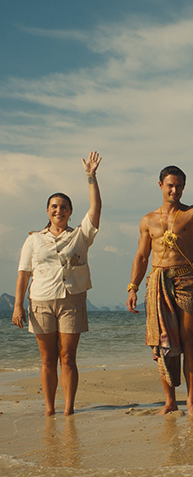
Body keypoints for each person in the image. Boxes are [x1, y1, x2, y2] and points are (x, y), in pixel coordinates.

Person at [126, 165, 193, 415]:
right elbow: (142, 256)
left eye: (179, 186)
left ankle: (192, 401)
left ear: (184, 187)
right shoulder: (148, 220)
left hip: (186, 281)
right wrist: (133, 287)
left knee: (189, 343)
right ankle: (169, 401)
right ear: (161, 185)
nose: (175, 190)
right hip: (157, 284)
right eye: (170, 185)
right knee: (163, 344)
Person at [12, 152, 103, 416]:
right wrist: (18, 306)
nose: (59, 210)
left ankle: (69, 409)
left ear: (70, 211)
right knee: (47, 359)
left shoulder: (80, 236)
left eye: (64, 207)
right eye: (54, 206)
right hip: (40, 301)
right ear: (47, 211)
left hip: (72, 300)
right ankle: (50, 409)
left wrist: (91, 177)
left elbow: (96, 209)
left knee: (68, 357)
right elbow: (23, 274)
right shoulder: (34, 239)